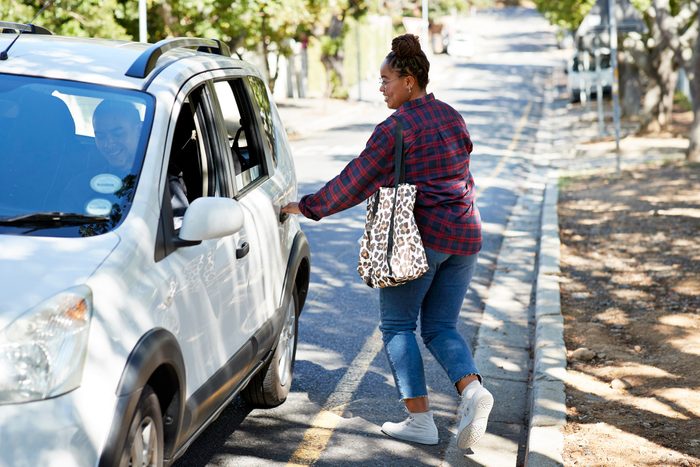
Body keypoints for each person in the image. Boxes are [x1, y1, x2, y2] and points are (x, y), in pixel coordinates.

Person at [281, 34, 493, 449]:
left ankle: (420, 421)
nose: (380, 87)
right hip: (465, 234)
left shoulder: (394, 129)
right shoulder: (452, 116)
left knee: (397, 325)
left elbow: (354, 182)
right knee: (441, 325)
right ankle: (473, 390)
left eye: (386, 80)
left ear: (410, 81)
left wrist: (306, 207)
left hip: (419, 240)